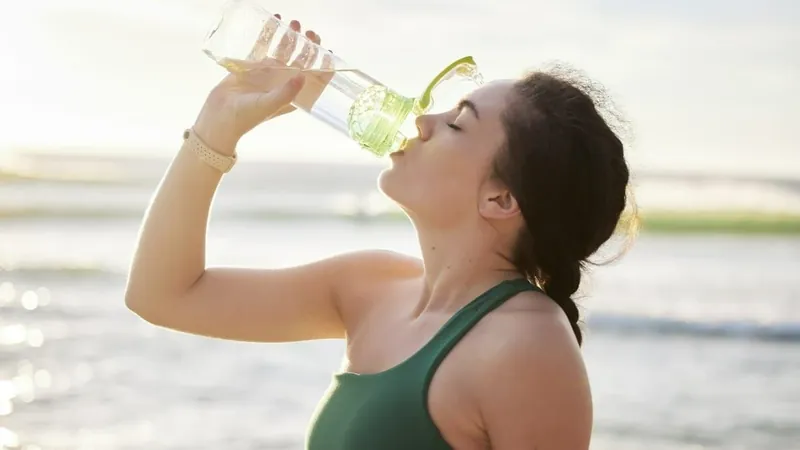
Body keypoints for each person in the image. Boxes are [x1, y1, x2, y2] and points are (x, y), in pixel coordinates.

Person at [125, 16, 634, 450]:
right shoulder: (370, 286)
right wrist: (217, 125)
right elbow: (163, 295)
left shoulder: (527, 343)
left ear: (501, 200)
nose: (423, 121)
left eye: (456, 123)